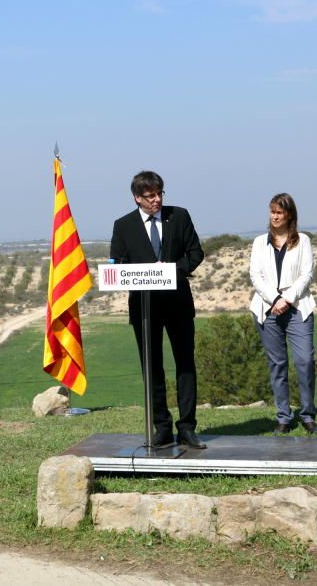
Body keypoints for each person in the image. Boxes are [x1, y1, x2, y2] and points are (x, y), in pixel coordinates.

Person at [110, 171, 206, 449]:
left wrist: (172, 270)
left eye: (160, 194)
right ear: (137, 198)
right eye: (150, 196)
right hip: (144, 308)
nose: (157, 200)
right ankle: (161, 427)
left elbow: (195, 253)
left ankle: (187, 427)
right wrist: (142, 274)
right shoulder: (123, 225)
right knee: (151, 368)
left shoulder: (180, 216)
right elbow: (118, 263)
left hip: (178, 303)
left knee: (185, 364)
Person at [248, 193, 317, 434]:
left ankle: (308, 414)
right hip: (267, 309)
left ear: (289, 215)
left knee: (305, 361)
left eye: (279, 212)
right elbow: (255, 276)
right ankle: (284, 417)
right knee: (277, 364)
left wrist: (286, 299)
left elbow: (307, 274)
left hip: (298, 307)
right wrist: (274, 299)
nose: (275, 216)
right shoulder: (259, 242)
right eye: (272, 212)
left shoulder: (303, 241)